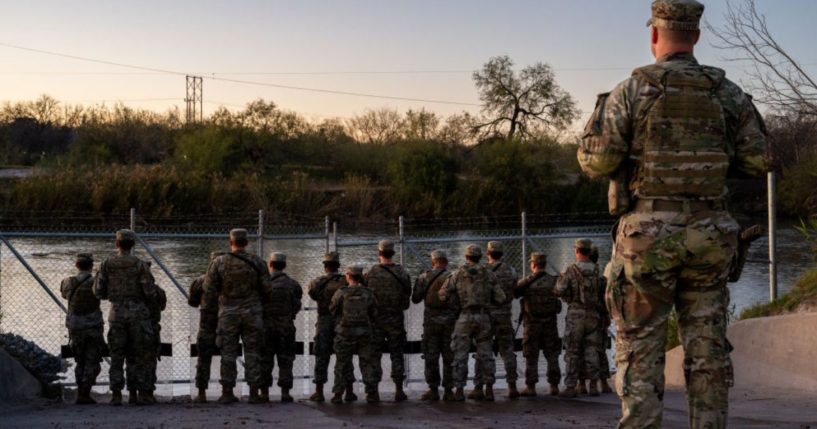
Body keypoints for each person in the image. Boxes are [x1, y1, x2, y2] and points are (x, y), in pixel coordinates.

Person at [577, 0, 768, 425]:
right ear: (696, 36)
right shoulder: (728, 94)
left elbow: (598, 164)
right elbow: (759, 161)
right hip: (711, 237)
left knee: (640, 350)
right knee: (708, 353)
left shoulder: (631, 91)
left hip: (647, 239)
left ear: (653, 36)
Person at [202, 228, 272, 404]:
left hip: (228, 314)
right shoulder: (258, 262)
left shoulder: (219, 262)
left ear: (230, 242)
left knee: (228, 353)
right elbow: (267, 290)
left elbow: (209, 291)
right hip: (252, 313)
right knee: (253, 352)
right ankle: (254, 392)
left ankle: (227, 392)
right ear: (246, 242)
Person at [93, 229, 158, 406]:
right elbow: (150, 292)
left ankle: (116, 394)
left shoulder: (106, 264)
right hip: (138, 314)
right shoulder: (140, 265)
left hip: (117, 313)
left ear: (117, 244)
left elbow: (98, 291)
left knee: (117, 355)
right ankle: (137, 394)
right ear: (133, 245)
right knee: (138, 355)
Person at [439, 244, 505, 402]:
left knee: (460, 355)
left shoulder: (457, 274)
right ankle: (488, 389)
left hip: (464, 317)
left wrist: (455, 301)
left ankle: (460, 390)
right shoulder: (489, 274)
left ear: (466, 257)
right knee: (486, 355)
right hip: (483, 318)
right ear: (480, 257)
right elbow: (501, 298)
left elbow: (442, 295)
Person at [555, 238, 605, 398]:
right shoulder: (598, 270)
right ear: (590, 252)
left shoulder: (571, 270)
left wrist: (569, 296)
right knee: (592, 350)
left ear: (577, 251)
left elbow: (559, 290)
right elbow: (603, 292)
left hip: (576, 314)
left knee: (573, 350)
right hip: (594, 315)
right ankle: (593, 385)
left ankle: (571, 386)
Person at [470, 241, 519, 400]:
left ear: (488, 253)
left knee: (483, 352)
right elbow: (515, 290)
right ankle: (512, 386)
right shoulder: (511, 271)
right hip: (504, 316)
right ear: (502, 254)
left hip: (486, 316)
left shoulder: (482, 271)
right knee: (508, 351)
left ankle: (483, 387)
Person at [364, 239, 411, 401]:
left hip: (376, 320)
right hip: (395, 319)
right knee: (397, 353)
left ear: (379, 253)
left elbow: (365, 294)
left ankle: (373, 392)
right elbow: (407, 294)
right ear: (393, 253)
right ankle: (399, 389)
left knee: (374, 355)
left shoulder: (371, 273)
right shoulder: (401, 273)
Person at [307, 251, 355, 402]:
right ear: (338, 266)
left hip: (324, 321)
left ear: (325, 266)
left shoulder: (317, 282)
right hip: (342, 322)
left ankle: (319, 392)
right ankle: (348, 391)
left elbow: (312, 294)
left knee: (321, 356)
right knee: (344, 357)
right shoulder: (345, 282)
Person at [411, 249, 457, 402]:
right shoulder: (454, 276)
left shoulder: (424, 277)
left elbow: (416, 299)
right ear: (446, 262)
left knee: (431, 355)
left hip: (431, 322)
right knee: (449, 356)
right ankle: (449, 390)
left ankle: (433, 389)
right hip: (450, 322)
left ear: (433, 262)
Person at [513, 252, 561, 397]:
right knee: (552, 354)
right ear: (545, 264)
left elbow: (515, 293)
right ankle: (554, 386)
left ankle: (531, 386)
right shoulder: (554, 281)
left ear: (533, 264)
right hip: (550, 323)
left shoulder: (527, 282)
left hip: (532, 324)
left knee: (531, 355)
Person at [60, 253, 106, 405]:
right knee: (92, 361)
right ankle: (84, 393)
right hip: (93, 327)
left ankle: (81, 392)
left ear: (76, 265)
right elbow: (103, 294)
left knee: (80, 361)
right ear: (91, 266)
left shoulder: (68, 282)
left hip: (75, 327)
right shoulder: (96, 282)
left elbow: (64, 295)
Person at [330, 265, 380, 404]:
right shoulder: (368, 293)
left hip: (345, 333)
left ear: (348, 276)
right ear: (361, 277)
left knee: (342, 363)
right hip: (364, 332)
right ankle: (371, 393)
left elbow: (333, 310)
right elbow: (374, 312)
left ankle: (338, 394)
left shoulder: (341, 292)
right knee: (367, 362)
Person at [260, 252, 303, 403]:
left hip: (266, 327)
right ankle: (285, 393)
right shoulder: (292, 284)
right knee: (286, 360)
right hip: (285, 327)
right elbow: (297, 305)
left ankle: (264, 393)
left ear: (270, 264)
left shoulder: (263, 283)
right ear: (284, 265)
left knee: (265, 359)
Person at [188, 251, 224, 403]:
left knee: (203, 358)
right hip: (226, 323)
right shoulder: (231, 282)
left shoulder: (201, 281)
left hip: (207, 323)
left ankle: (201, 392)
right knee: (228, 357)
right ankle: (227, 391)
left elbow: (192, 302)